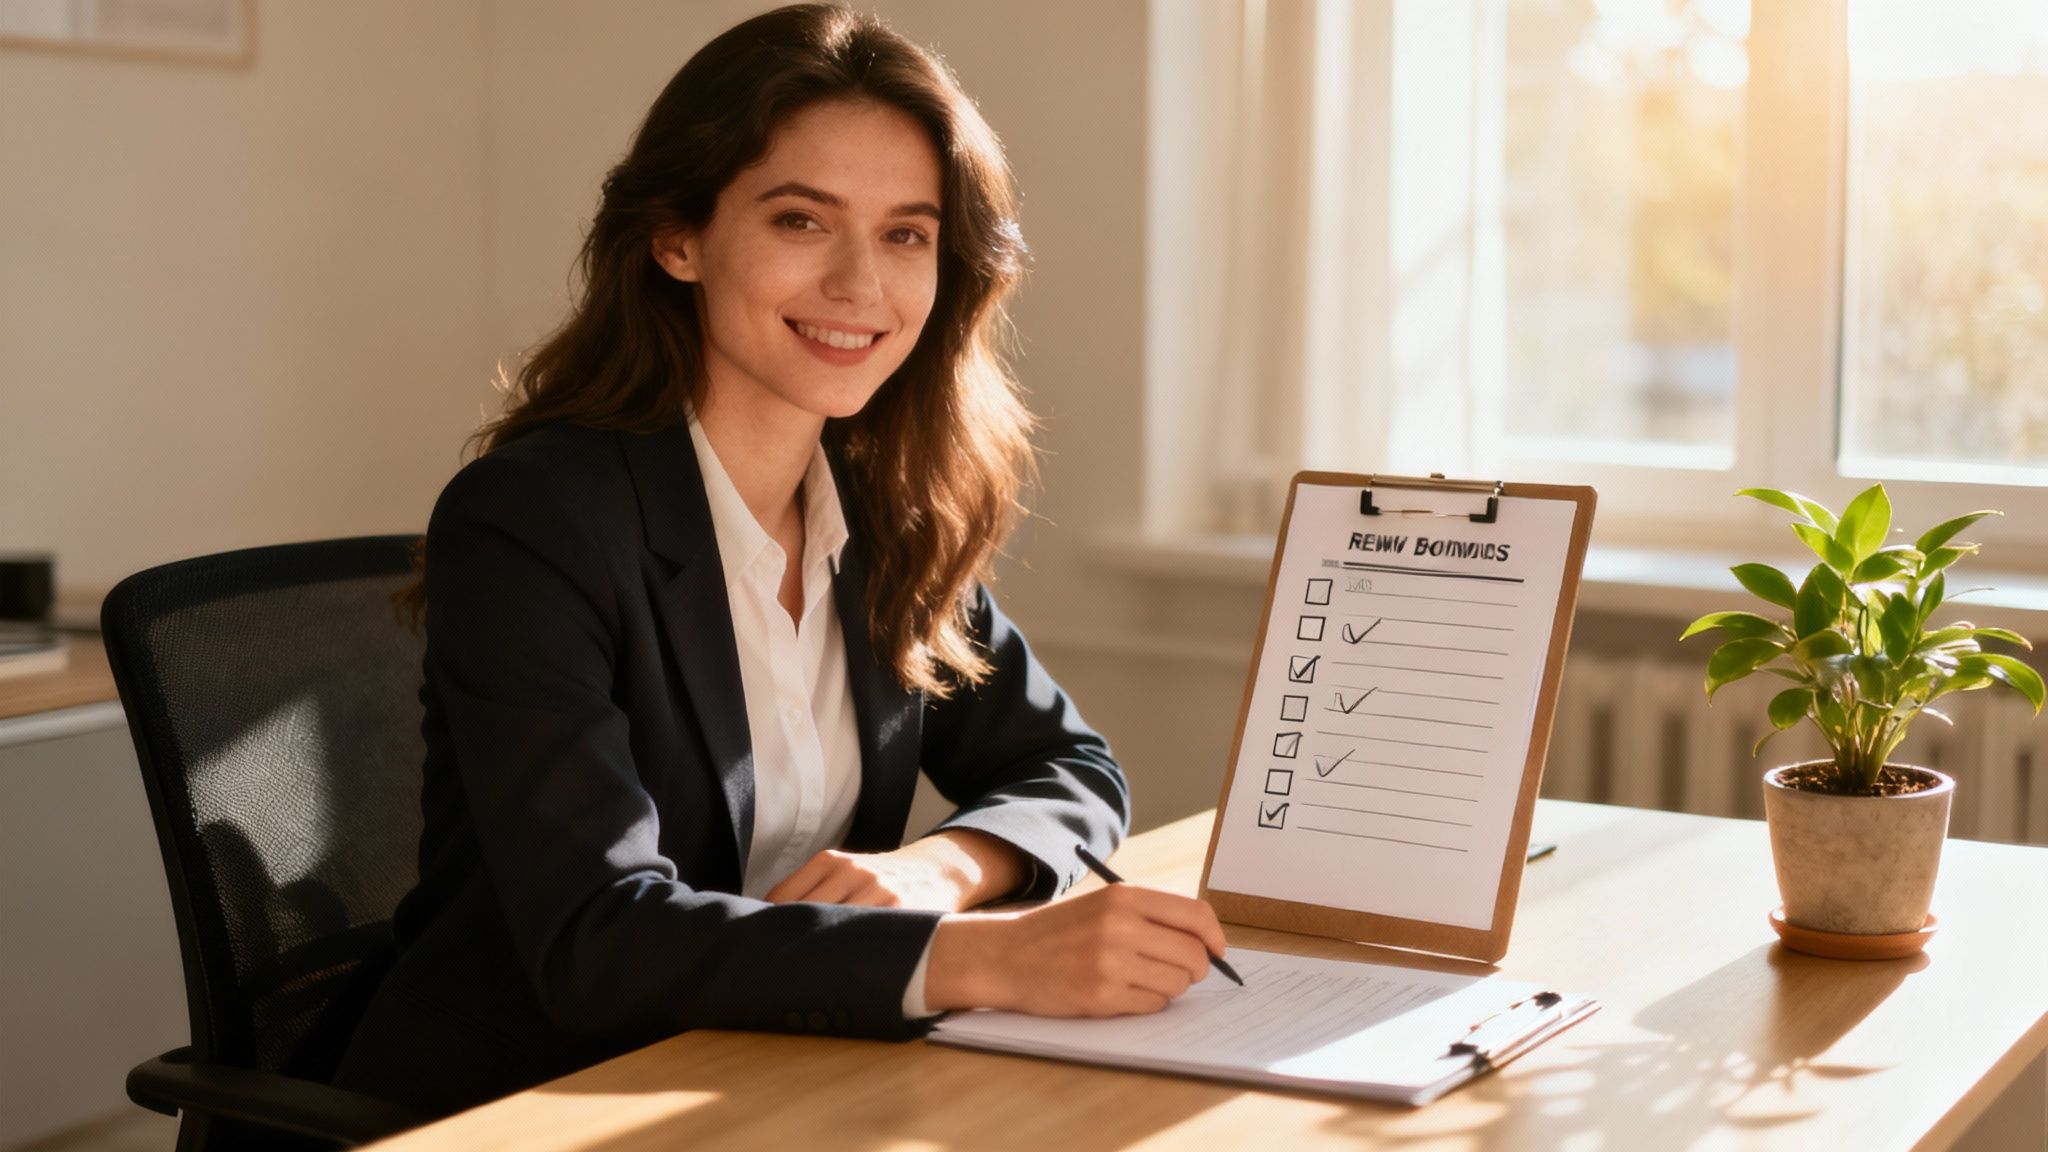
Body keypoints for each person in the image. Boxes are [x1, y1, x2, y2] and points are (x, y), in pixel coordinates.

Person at [333, 3, 1226, 1117]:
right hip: (533, 1102)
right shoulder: (534, 521)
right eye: (802, 221)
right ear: (678, 238)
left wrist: (934, 874)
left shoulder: (887, 509)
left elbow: (1070, 770)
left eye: (906, 233)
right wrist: (988, 959)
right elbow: (595, 939)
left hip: (780, 1074)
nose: (863, 284)